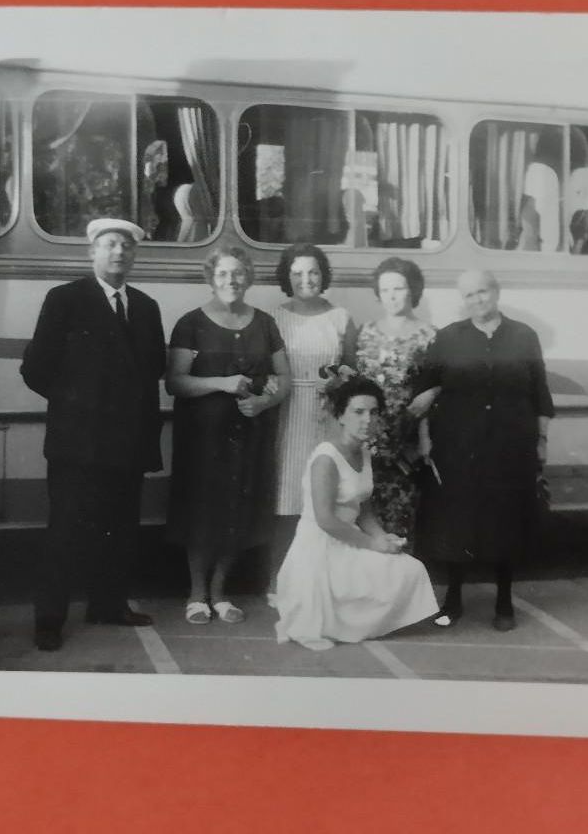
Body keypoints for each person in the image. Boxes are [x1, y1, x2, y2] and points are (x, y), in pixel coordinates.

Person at [20, 218, 166, 652]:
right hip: (77, 442)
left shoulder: (145, 306)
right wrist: (77, 406)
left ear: (134, 255)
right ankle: (49, 619)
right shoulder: (65, 299)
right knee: (65, 530)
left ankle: (109, 604)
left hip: (128, 442)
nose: (118, 252)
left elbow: (153, 367)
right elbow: (35, 369)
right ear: (92, 253)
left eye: (126, 246)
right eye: (109, 245)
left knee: (119, 529)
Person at [413, 269, 555, 632]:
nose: (477, 301)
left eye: (482, 292)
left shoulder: (524, 336)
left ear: (496, 292)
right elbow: (425, 394)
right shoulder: (448, 338)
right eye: (469, 295)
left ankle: (504, 602)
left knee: (506, 525)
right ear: (463, 301)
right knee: (458, 525)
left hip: (511, 447)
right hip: (459, 448)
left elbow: (540, 394)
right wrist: (427, 440)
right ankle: (453, 601)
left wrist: (541, 441)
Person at [166, 247, 291, 625]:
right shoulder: (191, 323)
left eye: (238, 273)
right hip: (203, 438)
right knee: (202, 513)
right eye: (222, 274)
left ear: (248, 278)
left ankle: (221, 592)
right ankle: (196, 594)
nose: (231, 281)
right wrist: (221, 383)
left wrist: (264, 405)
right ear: (211, 278)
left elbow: (284, 379)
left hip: (250, 434)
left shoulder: (265, 323)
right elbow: (176, 382)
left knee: (240, 512)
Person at [274, 376, 439, 651]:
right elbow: (326, 520)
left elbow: (363, 507)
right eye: (358, 412)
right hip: (319, 552)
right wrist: (372, 544)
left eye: (374, 413)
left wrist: (382, 537)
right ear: (340, 415)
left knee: (411, 569)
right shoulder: (325, 458)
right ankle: (337, 616)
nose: (367, 420)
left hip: (350, 541)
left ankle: (355, 618)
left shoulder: (363, 452)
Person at [268, 243, 357, 596]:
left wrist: (340, 379)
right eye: (298, 273)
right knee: (288, 501)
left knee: (326, 499)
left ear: (324, 275)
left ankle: (321, 582)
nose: (307, 279)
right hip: (289, 412)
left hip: (328, 415)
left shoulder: (341, 318)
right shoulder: (275, 318)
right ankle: (276, 580)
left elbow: (353, 368)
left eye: (313, 272)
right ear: (287, 278)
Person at [354, 257, 438, 547]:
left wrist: (433, 396)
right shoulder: (365, 333)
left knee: (401, 518)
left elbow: (436, 385)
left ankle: (398, 589)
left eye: (399, 289)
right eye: (386, 290)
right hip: (366, 438)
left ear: (412, 289)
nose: (392, 296)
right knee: (363, 518)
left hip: (405, 443)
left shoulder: (429, 336)